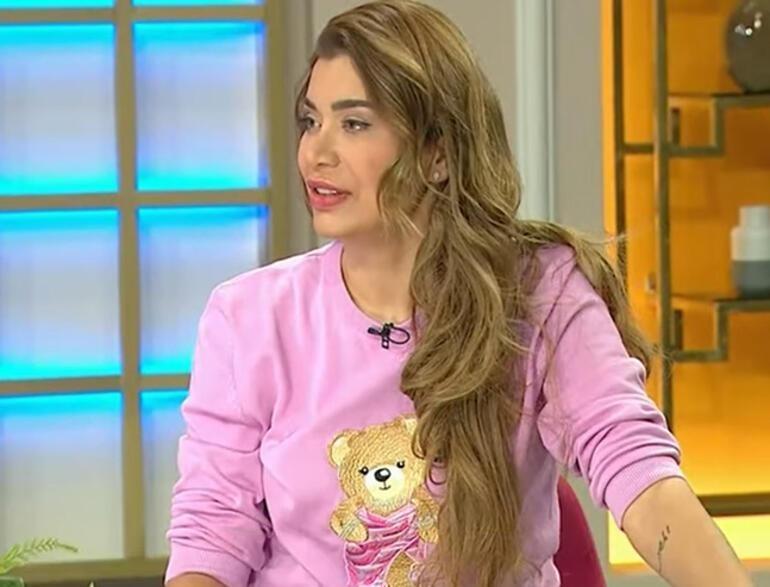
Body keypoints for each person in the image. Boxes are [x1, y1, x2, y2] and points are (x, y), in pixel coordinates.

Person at [164, 2, 752, 586]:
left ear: (437, 153)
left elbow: (639, 474)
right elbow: (212, 534)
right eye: (310, 121)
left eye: (354, 124)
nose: (316, 153)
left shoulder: (540, 292)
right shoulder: (249, 317)